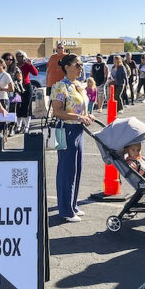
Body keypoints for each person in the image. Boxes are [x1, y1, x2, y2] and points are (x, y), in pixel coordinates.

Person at [51, 54, 94, 222]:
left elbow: (81, 108)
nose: (80, 68)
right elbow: (57, 111)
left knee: (77, 168)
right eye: (77, 64)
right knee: (66, 169)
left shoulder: (78, 86)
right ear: (67, 66)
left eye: (81, 65)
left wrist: (86, 116)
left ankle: (73, 204)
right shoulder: (61, 86)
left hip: (78, 129)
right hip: (65, 129)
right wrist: (78, 117)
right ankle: (65, 210)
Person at [14, 50, 38, 134]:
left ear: (24, 57)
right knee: (18, 107)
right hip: (17, 88)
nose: (19, 58)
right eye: (17, 56)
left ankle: (26, 126)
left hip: (26, 87)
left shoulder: (27, 65)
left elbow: (35, 73)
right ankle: (18, 126)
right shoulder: (15, 66)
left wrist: (31, 65)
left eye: (20, 56)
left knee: (26, 106)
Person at [0, 58, 14, 137]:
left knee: (2, 120)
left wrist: (0, 89)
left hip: (3, 99)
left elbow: (11, 89)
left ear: (2, 65)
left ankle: (3, 137)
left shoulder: (6, 75)